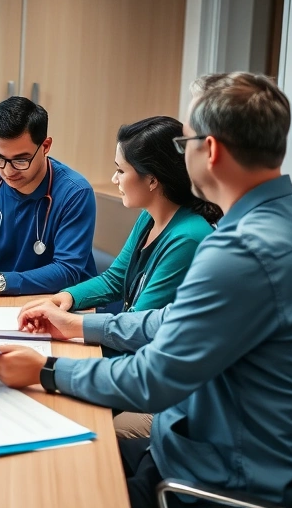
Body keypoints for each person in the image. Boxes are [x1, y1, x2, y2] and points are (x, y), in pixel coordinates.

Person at [0, 73, 292, 507]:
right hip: (235, 445)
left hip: (221, 476)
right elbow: (173, 322)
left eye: (186, 143)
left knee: (43, 475)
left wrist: (44, 371)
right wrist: (79, 327)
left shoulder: (241, 251)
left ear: (209, 151)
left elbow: (154, 379)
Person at [48, 116, 221, 440]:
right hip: (136, 360)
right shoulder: (150, 216)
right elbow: (115, 279)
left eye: (121, 170)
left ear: (152, 180)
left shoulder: (188, 237)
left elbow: (138, 325)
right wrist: (67, 298)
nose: (115, 179)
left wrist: (69, 335)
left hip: (164, 390)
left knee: (76, 428)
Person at [0, 96, 96, 296]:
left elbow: (68, 270)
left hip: (64, 302)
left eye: (21, 160)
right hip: (6, 298)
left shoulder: (74, 193)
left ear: (45, 146)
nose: (8, 171)